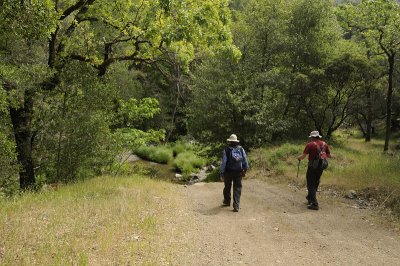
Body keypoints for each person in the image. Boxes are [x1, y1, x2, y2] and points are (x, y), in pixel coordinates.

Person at [297, 130, 333, 210]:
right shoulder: (324, 144)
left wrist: (298, 158)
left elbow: (303, 157)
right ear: (318, 136)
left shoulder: (310, 145)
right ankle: (310, 197)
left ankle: (314, 203)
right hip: (321, 166)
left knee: (310, 183)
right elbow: (329, 155)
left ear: (312, 137)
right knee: (316, 181)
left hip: (312, 166)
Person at [220, 134, 249, 212]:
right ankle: (236, 206)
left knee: (227, 187)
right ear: (236, 141)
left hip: (228, 172)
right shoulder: (241, 149)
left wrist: (222, 174)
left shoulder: (226, 150)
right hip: (238, 172)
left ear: (229, 141)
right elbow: (245, 160)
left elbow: (223, 163)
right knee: (237, 189)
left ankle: (227, 201)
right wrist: (245, 169)